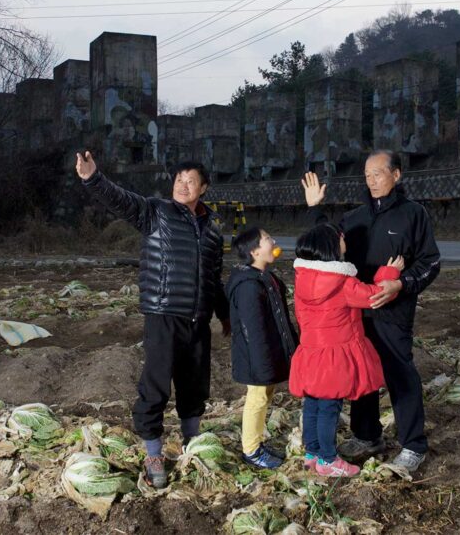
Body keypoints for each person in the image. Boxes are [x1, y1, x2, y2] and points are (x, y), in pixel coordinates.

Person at [75, 150, 230, 489]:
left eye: (191, 181)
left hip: (198, 320)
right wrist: (93, 178)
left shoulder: (214, 232)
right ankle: (153, 453)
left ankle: (192, 444)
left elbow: (215, 279)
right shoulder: (156, 212)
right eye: (179, 180)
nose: (183, 186)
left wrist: (224, 315)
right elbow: (121, 200)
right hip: (163, 314)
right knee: (156, 385)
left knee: (195, 385)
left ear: (203, 188)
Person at [301, 150, 441, 474]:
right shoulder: (356, 217)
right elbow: (325, 244)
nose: (371, 180)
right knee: (360, 376)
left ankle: (413, 446)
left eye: (378, 173)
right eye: (367, 175)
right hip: (354, 312)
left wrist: (402, 284)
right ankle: (367, 436)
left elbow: (430, 262)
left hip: (393, 313)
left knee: (399, 375)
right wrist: (314, 208)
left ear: (397, 175)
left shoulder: (413, 215)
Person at [289, 222, 404, 478]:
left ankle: (313, 455)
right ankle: (329, 460)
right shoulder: (341, 283)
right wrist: (390, 273)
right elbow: (373, 296)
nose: (344, 237)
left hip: (310, 353)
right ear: (330, 246)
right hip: (333, 358)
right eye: (339, 236)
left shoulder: (304, 277)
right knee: (330, 407)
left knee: (313, 405)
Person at [225, 227, 299, 469]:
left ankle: (256, 442)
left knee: (264, 397)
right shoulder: (248, 286)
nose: (274, 241)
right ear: (255, 251)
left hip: (265, 357)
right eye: (268, 239)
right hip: (256, 358)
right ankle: (251, 450)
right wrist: (263, 366)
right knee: (256, 399)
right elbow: (254, 332)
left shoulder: (265, 277)